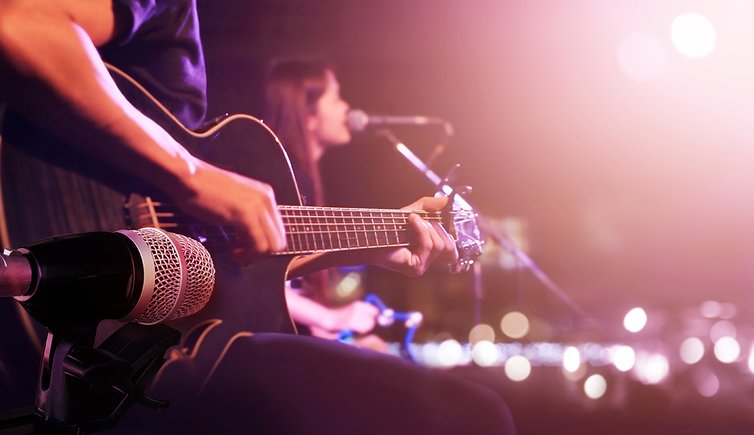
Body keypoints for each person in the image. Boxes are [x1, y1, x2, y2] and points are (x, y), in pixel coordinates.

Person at [0, 1, 515, 434]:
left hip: (117, 358)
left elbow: (234, 259)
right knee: (473, 414)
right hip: (104, 332)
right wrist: (194, 176)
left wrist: (375, 240)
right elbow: (21, 25)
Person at [262, 57, 384, 348]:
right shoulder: (281, 179)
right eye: (336, 97)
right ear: (308, 115)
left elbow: (288, 283)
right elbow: (257, 279)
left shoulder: (299, 178)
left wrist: (324, 331)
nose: (346, 108)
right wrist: (330, 319)